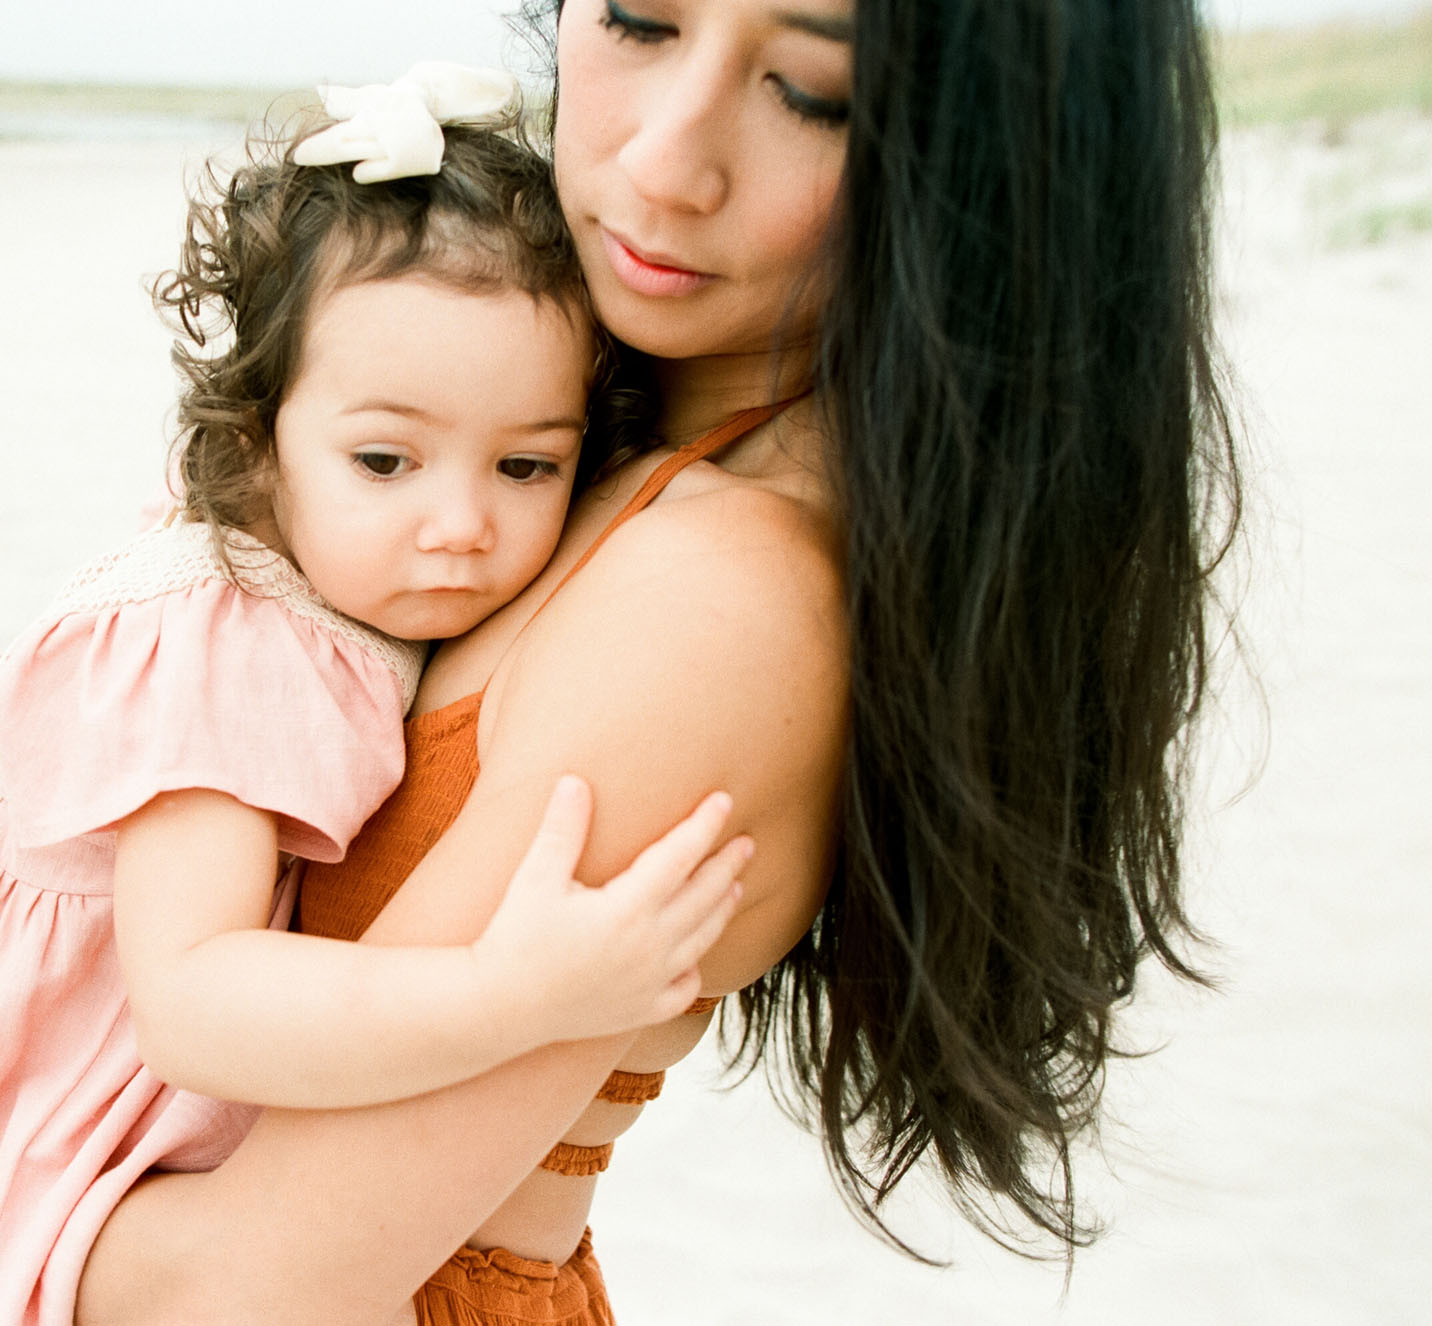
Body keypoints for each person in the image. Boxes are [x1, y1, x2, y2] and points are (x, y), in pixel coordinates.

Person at [72, 1, 1240, 1323]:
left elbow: (230, 1294)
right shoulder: (566, 449)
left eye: (810, 92)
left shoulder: (716, 605)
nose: (663, 162)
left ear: (987, 166)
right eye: (635, 19)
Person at [0, 103, 757, 1326]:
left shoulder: (335, 579)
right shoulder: (232, 658)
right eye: (385, 462)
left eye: (525, 466)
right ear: (260, 447)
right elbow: (196, 1003)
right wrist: (512, 994)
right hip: (47, 1098)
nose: (458, 523)